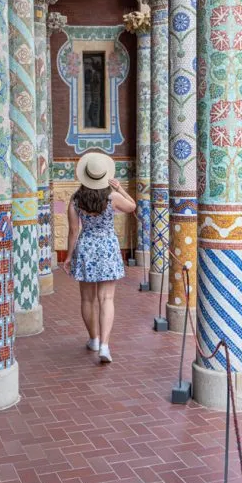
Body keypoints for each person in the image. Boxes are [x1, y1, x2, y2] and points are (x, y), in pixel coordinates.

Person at [62, 150, 136, 364]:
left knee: (87, 299)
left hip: (86, 248)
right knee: (107, 299)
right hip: (107, 248)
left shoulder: (76, 200)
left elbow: (74, 231)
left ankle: (93, 339)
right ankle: (105, 345)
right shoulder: (112, 197)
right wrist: (119, 187)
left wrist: (68, 257)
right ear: (104, 176)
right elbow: (132, 206)